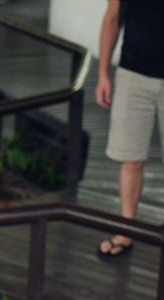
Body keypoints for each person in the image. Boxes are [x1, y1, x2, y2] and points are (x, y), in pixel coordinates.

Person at [95, 0, 164, 258]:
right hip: (133, 73)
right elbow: (112, 17)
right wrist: (102, 73)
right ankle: (126, 230)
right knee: (130, 159)